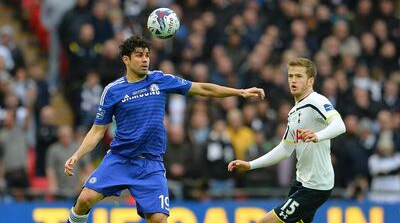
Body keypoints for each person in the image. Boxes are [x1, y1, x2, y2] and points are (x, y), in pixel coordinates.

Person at [64, 35, 265, 223]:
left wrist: (239, 92)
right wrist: (77, 155)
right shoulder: (112, 90)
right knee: (85, 199)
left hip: (150, 164)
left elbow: (202, 88)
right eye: (139, 55)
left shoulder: (159, 80)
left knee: (159, 219)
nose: (145, 60)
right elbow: (97, 131)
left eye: (147, 55)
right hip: (120, 158)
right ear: (126, 59)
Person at [228, 58, 346, 223]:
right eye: (290, 76)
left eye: (299, 76)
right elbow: (284, 149)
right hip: (301, 182)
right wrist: (250, 165)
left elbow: (340, 125)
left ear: (310, 80)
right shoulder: (293, 112)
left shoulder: (316, 101)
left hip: (316, 186)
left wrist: (317, 136)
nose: (293, 80)